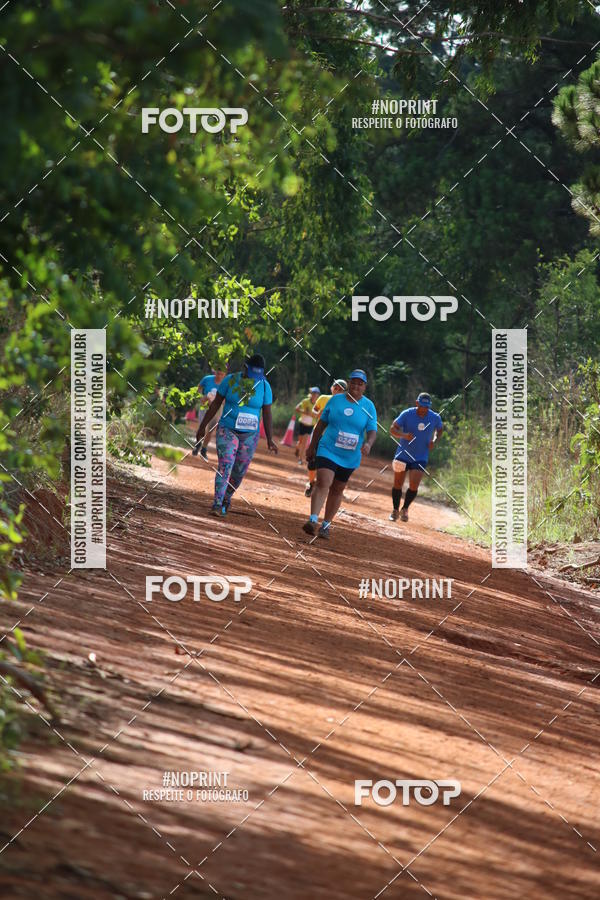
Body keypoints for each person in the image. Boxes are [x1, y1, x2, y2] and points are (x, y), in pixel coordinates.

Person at [193, 354, 278, 515]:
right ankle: (217, 504)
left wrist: (270, 438)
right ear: (245, 368)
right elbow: (216, 403)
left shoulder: (265, 386)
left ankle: (227, 497)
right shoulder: (230, 380)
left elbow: (267, 413)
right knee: (225, 465)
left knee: (239, 471)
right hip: (227, 429)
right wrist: (202, 426)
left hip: (250, 436)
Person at [303, 370, 377, 540]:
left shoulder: (368, 406)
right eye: (353, 382)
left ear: (365, 386)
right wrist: (311, 446)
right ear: (349, 383)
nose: (356, 386)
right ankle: (313, 520)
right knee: (323, 481)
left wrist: (368, 443)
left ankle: (326, 525)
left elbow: (372, 430)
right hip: (328, 448)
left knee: (337, 489)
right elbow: (321, 424)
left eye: (360, 383)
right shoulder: (336, 400)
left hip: (349, 456)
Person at [389, 391, 443, 522]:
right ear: (417, 403)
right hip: (403, 454)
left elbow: (440, 430)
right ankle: (395, 510)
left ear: (429, 406)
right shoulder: (407, 414)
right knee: (397, 483)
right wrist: (403, 435)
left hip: (420, 456)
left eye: (427, 407)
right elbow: (392, 429)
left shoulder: (435, 417)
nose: (424, 409)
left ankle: (405, 509)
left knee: (414, 485)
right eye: (421, 406)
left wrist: (434, 440)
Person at [305, 379, 347, 497]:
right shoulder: (323, 398)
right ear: (332, 388)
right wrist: (319, 413)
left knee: (330, 462)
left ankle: (327, 487)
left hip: (333, 437)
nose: (337, 390)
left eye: (340, 389)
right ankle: (311, 483)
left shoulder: (345, 404)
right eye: (336, 387)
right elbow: (314, 411)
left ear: (344, 392)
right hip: (319, 433)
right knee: (312, 460)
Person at [197, 368, 226, 460]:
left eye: (221, 374)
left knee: (211, 430)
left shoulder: (226, 384)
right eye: (218, 374)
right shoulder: (207, 379)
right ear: (215, 372)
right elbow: (198, 389)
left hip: (217, 409)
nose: (219, 376)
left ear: (225, 374)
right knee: (202, 427)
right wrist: (203, 397)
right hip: (205, 406)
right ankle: (198, 443)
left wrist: (217, 401)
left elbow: (226, 399)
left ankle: (204, 449)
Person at [295, 387, 320, 466]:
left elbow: (319, 414)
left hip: (311, 425)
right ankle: (297, 448)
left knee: (305, 442)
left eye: (316, 394)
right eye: (313, 394)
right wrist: (305, 412)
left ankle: (300, 459)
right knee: (300, 442)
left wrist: (315, 415)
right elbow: (297, 408)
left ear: (318, 395)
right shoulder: (305, 401)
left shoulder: (318, 404)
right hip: (302, 423)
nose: (314, 395)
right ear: (311, 394)